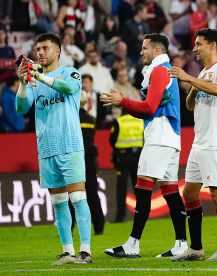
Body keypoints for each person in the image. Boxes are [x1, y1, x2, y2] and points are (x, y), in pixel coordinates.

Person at [101, 33, 187, 258]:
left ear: (156, 51)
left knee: (143, 188)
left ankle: (132, 245)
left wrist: (124, 102)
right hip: (170, 137)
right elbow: (149, 108)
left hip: (159, 136)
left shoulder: (159, 70)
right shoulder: (164, 69)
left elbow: (149, 107)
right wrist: (126, 105)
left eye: (144, 48)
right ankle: (181, 245)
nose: (141, 52)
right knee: (170, 191)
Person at [15, 33, 92, 264]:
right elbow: (21, 108)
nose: (40, 52)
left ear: (57, 51)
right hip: (46, 149)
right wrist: (23, 83)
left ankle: (85, 251)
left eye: (45, 48)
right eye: (38, 49)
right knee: (59, 204)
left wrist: (39, 75)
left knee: (78, 198)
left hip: (70, 145)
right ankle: (68, 251)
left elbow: (68, 88)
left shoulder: (71, 72)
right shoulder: (34, 80)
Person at [167, 28, 217, 262]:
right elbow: (189, 106)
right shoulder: (204, 72)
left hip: (216, 143)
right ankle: (196, 249)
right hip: (199, 143)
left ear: (212, 45)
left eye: (199, 44)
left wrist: (189, 78)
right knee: (190, 192)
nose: (194, 48)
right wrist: (194, 87)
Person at [108, 110, 144, 223]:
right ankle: (143, 214)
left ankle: (121, 216)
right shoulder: (140, 121)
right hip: (138, 156)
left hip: (123, 157)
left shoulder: (119, 121)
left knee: (122, 188)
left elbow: (112, 140)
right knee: (139, 187)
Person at [78, 90, 105, 236]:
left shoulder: (70, 118)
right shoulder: (91, 119)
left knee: (71, 194)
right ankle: (99, 227)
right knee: (93, 194)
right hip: (90, 159)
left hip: (75, 159)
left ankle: (68, 228)